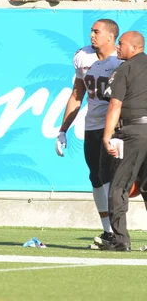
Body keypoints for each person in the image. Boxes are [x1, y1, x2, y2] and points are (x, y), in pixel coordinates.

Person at [55, 19, 122, 249]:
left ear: (111, 37)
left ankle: (118, 231)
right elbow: (77, 94)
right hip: (93, 126)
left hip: (118, 127)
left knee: (122, 181)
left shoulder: (121, 58)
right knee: (96, 178)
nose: (91, 35)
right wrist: (63, 129)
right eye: (91, 31)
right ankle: (108, 232)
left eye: (96, 31)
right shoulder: (83, 56)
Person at [100, 31, 147, 252]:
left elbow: (114, 105)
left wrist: (107, 136)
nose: (117, 47)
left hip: (133, 132)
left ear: (135, 47)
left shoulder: (124, 69)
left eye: (121, 44)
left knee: (118, 186)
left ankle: (120, 240)